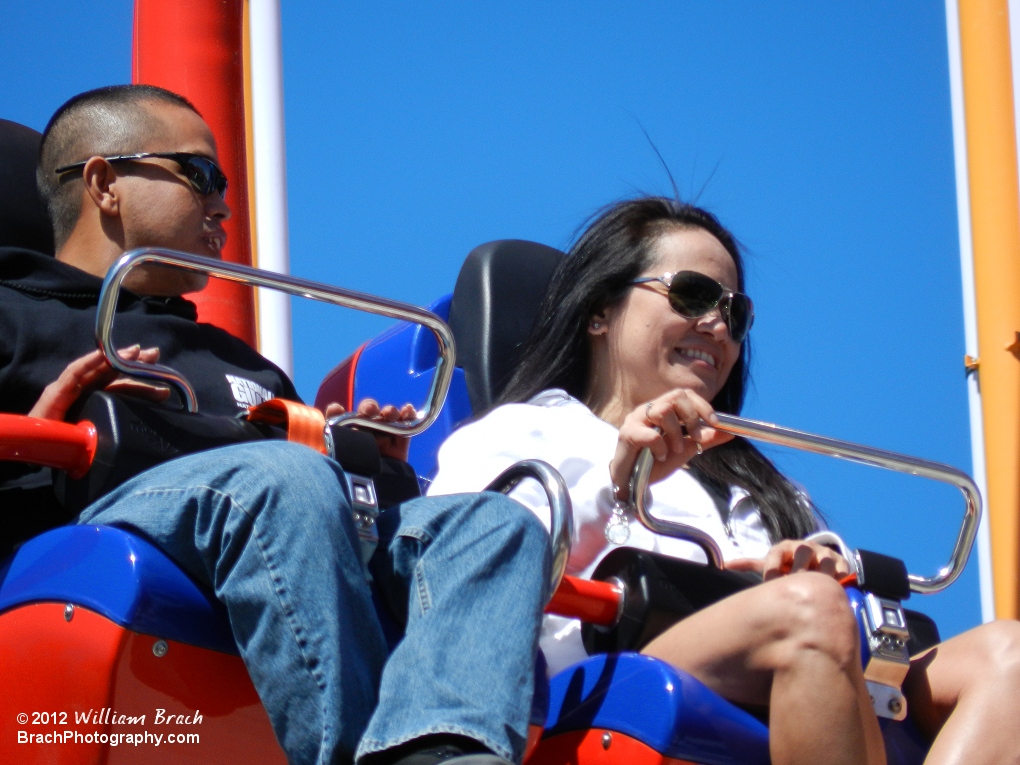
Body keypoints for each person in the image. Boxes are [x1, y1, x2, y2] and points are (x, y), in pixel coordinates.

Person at [0, 85, 552, 765]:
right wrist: (32, 437)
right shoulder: (13, 316)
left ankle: (443, 750)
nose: (222, 202)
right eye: (199, 175)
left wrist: (363, 460)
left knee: (494, 524)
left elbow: (314, 490)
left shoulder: (242, 364)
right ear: (104, 182)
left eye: (223, 182)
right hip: (85, 534)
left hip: (273, 519)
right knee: (282, 477)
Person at [428, 196, 1020, 765]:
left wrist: (812, 562)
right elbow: (462, 584)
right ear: (599, 312)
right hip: (605, 667)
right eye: (691, 294)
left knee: (1009, 658)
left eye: (735, 313)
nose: (716, 324)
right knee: (807, 612)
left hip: (801, 650)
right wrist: (619, 484)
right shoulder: (525, 435)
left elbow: (824, 595)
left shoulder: (761, 488)